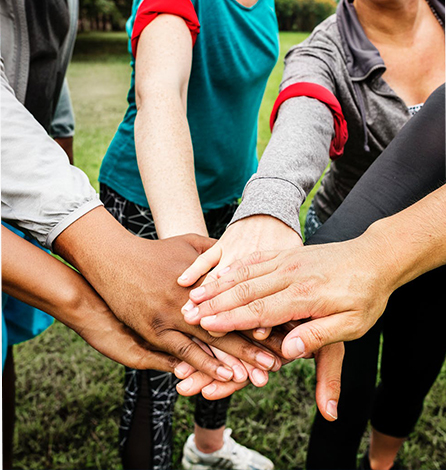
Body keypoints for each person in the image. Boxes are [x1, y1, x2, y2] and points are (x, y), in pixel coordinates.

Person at [177, 0, 445, 468]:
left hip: (435, 253)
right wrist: (269, 206)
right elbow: (304, 112)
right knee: (345, 396)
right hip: (340, 255)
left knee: (412, 375)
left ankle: (381, 464)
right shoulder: (322, 51)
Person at [97, 0, 288, 468]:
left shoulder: (265, 4)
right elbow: (160, 95)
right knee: (163, 358)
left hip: (229, 199)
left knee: (229, 332)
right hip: (149, 201)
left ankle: (207, 449)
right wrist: (189, 250)